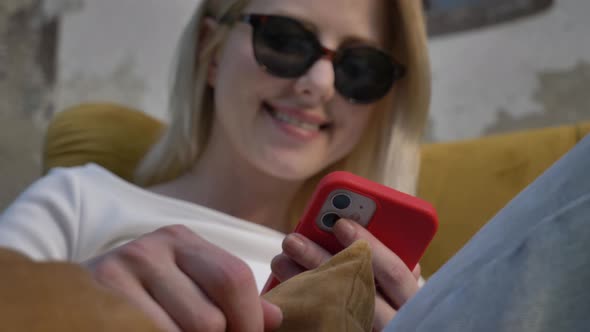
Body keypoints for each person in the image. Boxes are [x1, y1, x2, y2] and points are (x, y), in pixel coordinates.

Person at [0, 0, 430, 331]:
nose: (319, 84)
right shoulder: (77, 199)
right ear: (213, 52)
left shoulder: (392, 291)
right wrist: (77, 296)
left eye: (361, 69)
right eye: (285, 40)